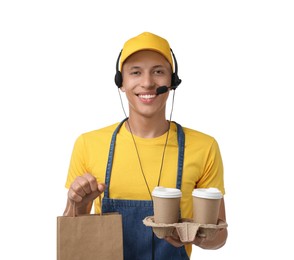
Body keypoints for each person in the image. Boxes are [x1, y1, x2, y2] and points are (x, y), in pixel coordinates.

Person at [63, 32, 228, 259]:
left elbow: (219, 237)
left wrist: (194, 236)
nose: (148, 82)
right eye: (135, 72)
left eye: (158, 71)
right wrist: (77, 205)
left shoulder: (204, 146)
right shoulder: (89, 144)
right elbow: (74, 236)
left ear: (172, 81)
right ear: (121, 82)